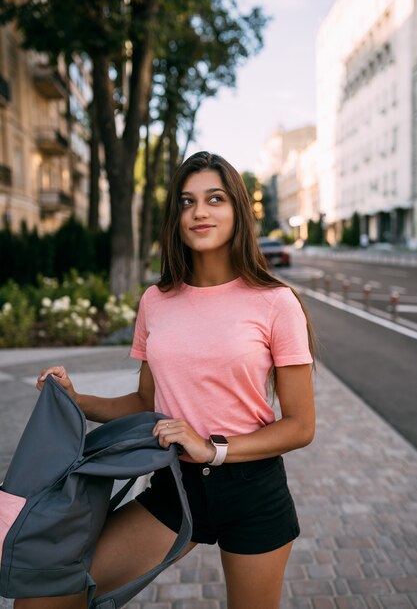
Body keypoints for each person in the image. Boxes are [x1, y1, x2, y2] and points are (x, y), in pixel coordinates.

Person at [23, 151, 315, 609]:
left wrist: (211, 447)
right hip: (176, 486)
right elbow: (145, 401)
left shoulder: (276, 302)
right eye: (186, 201)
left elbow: (300, 426)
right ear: (175, 217)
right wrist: (76, 400)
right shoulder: (156, 301)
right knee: (49, 596)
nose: (200, 211)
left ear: (237, 209)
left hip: (253, 491)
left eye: (215, 199)